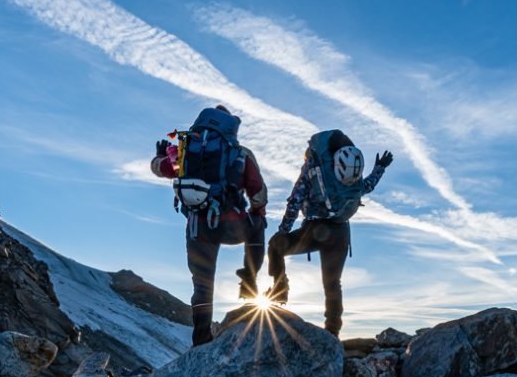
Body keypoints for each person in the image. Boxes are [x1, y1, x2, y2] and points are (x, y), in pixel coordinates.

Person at [151, 105, 268, 346]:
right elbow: (259, 193)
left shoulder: (185, 150)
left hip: (198, 228)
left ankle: (201, 339)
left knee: (202, 285)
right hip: (231, 225)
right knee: (258, 226)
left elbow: (160, 169)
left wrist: (159, 156)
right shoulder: (239, 153)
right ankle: (249, 278)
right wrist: (257, 214)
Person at [267, 130, 393, 337]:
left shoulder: (314, 168)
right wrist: (380, 168)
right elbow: (367, 186)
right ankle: (333, 333)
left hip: (314, 230)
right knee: (332, 282)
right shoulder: (351, 173)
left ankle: (280, 289)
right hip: (340, 232)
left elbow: (295, 201)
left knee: (275, 246)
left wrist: (283, 231)